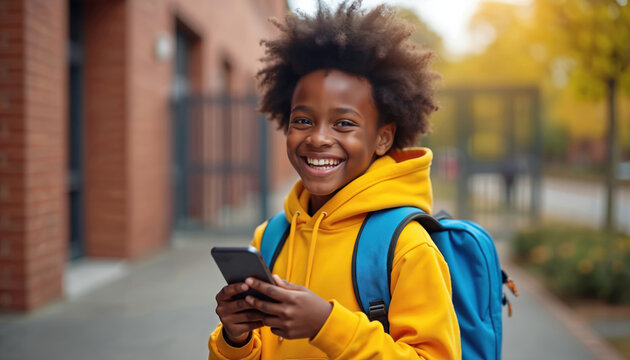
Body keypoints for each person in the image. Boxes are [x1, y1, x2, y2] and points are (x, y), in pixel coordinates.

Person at [208, 1, 461, 359]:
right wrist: (235, 338)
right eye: (303, 121)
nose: (318, 138)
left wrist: (326, 325)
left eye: (344, 123)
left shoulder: (406, 246)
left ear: (383, 138)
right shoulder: (271, 237)